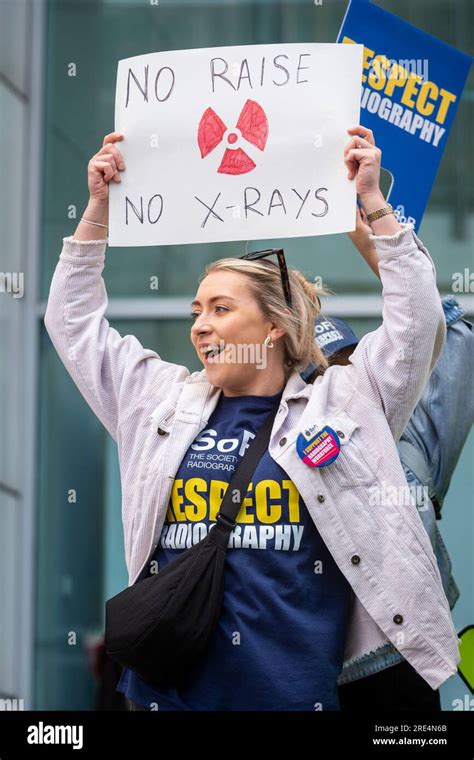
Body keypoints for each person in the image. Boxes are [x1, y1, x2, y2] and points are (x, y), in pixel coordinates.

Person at [44, 125, 460, 711]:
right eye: (195, 311)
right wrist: (98, 210)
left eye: (220, 308)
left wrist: (372, 202)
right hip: (168, 698)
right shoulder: (159, 403)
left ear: (273, 326)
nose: (199, 326)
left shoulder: (346, 403)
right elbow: (72, 323)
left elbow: (417, 321)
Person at [300, 212, 473, 711]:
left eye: (348, 364)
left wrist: (376, 242)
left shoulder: (410, 438)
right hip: (299, 667)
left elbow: (444, 333)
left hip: (400, 668)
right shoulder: (271, 443)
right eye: (317, 375)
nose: (336, 382)